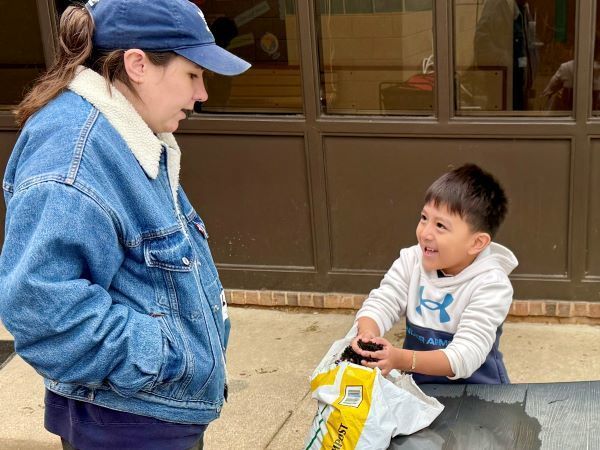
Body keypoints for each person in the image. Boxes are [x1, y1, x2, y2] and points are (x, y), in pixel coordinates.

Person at [0, 0, 250, 449]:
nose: (202, 94)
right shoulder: (73, 154)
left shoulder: (131, 134)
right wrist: (169, 356)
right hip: (125, 424)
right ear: (137, 64)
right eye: (193, 75)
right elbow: (39, 308)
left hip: (145, 415)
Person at [351, 164, 517, 384]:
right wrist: (367, 334)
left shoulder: (492, 284)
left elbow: (466, 354)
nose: (425, 233)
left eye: (440, 225)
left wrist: (401, 359)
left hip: (478, 393)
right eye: (423, 218)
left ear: (477, 242)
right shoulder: (411, 260)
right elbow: (383, 301)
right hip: (419, 386)